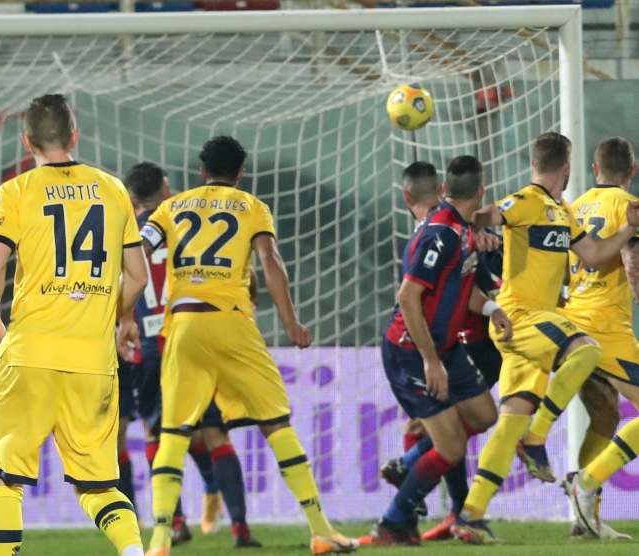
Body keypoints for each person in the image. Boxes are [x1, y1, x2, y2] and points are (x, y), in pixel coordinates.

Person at [139, 135, 357, 556]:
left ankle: (160, 539)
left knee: (173, 431)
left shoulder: (170, 207)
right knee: (276, 422)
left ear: (201, 172)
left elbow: (138, 251)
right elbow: (270, 262)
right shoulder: (252, 207)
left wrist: (120, 311)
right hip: (232, 323)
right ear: (240, 174)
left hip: (182, 324)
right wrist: (291, 321)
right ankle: (321, 530)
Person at [0, 94, 148, 556]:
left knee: (6, 478)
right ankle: (134, 552)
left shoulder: (16, 191)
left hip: (29, 354)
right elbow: (137, 276)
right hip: (92, 361)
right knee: (99, 486)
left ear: (25, 140)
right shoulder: (113, 189)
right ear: (75, 135)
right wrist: (117, 317)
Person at [453, 132, 639, 545]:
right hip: (522, 318)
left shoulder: (563, 211)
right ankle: (540, 442)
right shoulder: (527, 199)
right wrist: (476, 233)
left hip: (542, 324)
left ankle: (471, 513)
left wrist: (626, 229)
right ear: (568, 168)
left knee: (511, 419)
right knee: (585, 351)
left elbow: (591, 255)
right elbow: (484, 215)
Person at [365, 156, 505, 547]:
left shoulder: (461, 228)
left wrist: (493, 309)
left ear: (445, 189)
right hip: (411, 351)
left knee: (483, 414)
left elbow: (458, 287)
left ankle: (406, 465)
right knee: (451, 446)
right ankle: (392, 522)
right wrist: (430, 361)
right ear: (481, 191)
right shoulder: (440, 234)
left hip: (446, 348)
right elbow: (408, 297)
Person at [121, 161, 261, 548]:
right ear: (166, 189)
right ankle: (240, 528)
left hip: (150, 346)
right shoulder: (186, 225)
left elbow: (121, 283)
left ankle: (175, 522)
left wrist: (121, 322)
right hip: (193, 334)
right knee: (214, 432)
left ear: (131, 198)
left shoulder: (129, 236)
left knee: (157, 432)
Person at [563, 137, 639, 538]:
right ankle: (587, 481)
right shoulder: (628, 209)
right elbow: (633, 262)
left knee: (606, 416)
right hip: (607, 328)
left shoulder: (575, 206)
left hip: (572, 326)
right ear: (633, 170)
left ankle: (584, 519)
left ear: (594, 170)